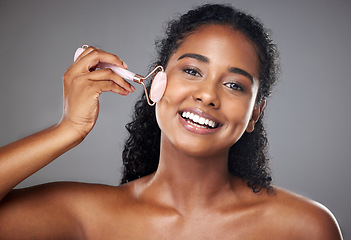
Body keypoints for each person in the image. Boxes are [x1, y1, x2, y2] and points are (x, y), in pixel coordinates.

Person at [0, 4, 343, 239]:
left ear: (255, 113)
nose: (208, 95)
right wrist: (68, 130)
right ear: (155, 81)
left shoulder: (304, 227)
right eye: (192, 71)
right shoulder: (87, 217)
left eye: (234, 85)